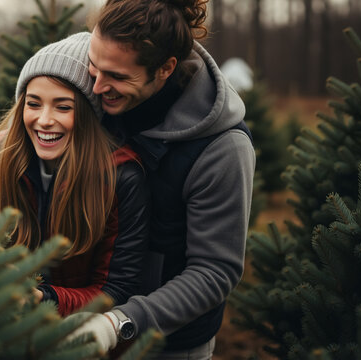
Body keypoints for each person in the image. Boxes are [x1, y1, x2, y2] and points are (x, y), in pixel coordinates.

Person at [69, 0, 256, 358]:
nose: (95, 86)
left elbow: (214, 271)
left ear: (165, 69)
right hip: (77, 312)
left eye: (118, 78)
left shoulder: (222, 148)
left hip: (165, 343)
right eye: (93, 66)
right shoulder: (96, 89)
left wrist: (120, 323)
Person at [0, 32, 150, 317]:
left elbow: (115, 289)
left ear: (88, 115)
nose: (45, 120)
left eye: (63, 107)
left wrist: (44, 299)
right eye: (33, 104)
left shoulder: (120, 178)